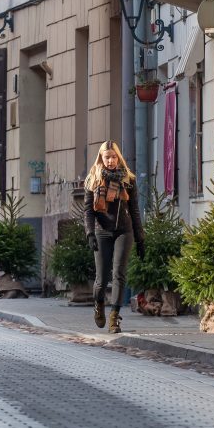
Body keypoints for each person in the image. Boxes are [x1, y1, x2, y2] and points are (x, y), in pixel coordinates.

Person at [83, 140, 145, 333]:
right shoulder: (92, 179)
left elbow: (134, 210)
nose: (110, 161)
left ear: (118, 157)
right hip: (102, 232)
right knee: (101, 279)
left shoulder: (128, 180)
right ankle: (99, 305)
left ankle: (114, 319)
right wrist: (90, 233)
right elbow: (88, 211)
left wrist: (140, 237)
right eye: (106, 157)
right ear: (101, 158)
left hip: (124, 231)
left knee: (119, 274)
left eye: (113, 157)